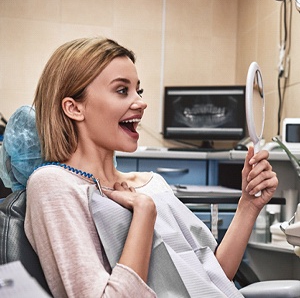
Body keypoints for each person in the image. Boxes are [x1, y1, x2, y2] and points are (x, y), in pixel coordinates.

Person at [1, 37, 278, 298]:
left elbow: (211, 277)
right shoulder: (54, 184)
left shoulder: (151, 183)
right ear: (74, 108)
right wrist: (143, 214)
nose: (141, 102)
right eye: (122, 90)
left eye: (138, 90)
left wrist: (247, 206)